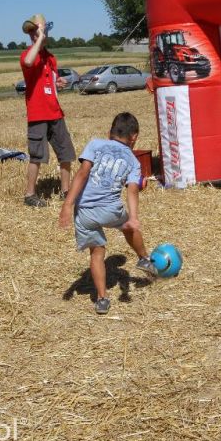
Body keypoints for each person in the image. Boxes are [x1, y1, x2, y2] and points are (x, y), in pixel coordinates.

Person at [58, 112, 157, 315]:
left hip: (84, 212)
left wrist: (67, 204)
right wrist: (134, 217)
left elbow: (82, 173)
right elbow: (132, 190)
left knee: (97, 253)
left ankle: (102, 299)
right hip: (110, 209)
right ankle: (144, 258)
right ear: (134, 137)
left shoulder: (94, 144)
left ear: (109, 132)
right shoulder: (133, 161)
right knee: (128, 225)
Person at [20, 14, 76, 207]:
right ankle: (30, 195)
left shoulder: (51, 58)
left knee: (66, 153)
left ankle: (66, 191)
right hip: (38, 115)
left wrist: (58, 83)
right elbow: (28, 62)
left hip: (56, 112)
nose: (35, 34)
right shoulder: (28, 55)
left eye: (38, 30)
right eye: (33, 32)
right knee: (37, 156)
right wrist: (40, 41)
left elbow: (49, 82)